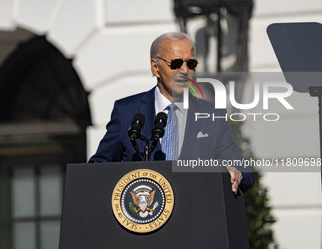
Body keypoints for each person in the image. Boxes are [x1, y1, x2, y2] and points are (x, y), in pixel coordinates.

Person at [89, 32, 253, 193]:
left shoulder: (212, 115)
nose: (184, 71)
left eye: (190, 64)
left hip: (196, 214)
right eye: (176, 64)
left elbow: (243, 173)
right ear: (155, 67)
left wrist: (230, 172)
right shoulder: (126, 111)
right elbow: (98, 167)